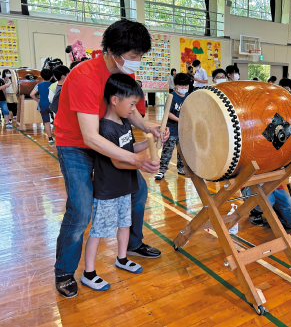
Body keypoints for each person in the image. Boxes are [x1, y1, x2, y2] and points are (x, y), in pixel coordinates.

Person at [53, 19, 169, 299]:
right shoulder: (84, 76)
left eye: (141, 56)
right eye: (133, 57)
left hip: (111, 139)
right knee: (81, 210)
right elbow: (91, 138)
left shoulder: (123, 76)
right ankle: (65, 271)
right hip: (76, 145)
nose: (137, 62)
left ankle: (131, 244)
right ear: (112, 52)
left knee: (137, 193)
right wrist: (136, 160)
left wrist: (148, 128)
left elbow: (131, 110)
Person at [82, 74, 147, 291]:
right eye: (131, 104)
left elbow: (130, 150)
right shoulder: (105, 129)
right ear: (114, 100)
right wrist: (142, 165)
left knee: (125, 224)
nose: (133, 109)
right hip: (108, 189)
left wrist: (149, 141)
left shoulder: (125, 122)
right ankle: (88, 272)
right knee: (98, 230)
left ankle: (121, 258)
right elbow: (119, 162)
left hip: (125, 186)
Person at [154, 73, 189, 181]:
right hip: (172, 129)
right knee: (167, 151)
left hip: (183, 131)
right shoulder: (172, 96)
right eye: (181, 85)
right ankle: (162, 170)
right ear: (175, 85)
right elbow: (167, 112)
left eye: (185, 85)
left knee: (182, 151)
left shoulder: (188, 97)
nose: (183, 88)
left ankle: (181, 168)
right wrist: (180, 120)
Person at [30, 68, 55, 144]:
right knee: (56, 121)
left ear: (42, 76)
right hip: (53, 105)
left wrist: (38, 100)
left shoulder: (39, 85)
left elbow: (32, 94)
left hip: (42, 105)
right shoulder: (53, 85)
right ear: (51, 77)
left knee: (46, 122)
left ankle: (50, 138)